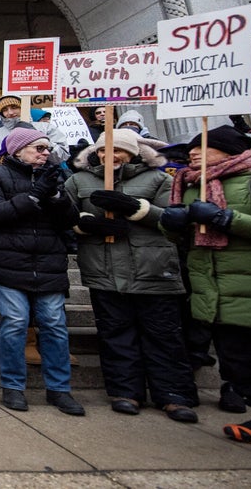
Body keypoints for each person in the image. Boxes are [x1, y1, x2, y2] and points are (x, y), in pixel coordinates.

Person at [159, 126, 251, 462]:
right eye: (193, 148)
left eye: (204, 147)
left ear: (229, 151)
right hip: (220, 292)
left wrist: (228, 218)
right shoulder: (193, 186)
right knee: (243, 366)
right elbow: (184, 238)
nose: (193, 153)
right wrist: (172, 224)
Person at [65, 128, 199, 422]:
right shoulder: (79, 180)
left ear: (133, 152)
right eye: (102, 151)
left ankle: (174, 394)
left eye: (117, 151)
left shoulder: (159, 178)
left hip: (152, 268)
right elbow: (66, 214)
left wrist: (139, 209)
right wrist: (89, 224)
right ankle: (125, 390)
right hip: (105, 269)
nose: (108, 156)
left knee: (163, 335)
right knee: (115, 333)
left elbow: (176, 219)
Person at [0, 127, 84, 415]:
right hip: (8, 263)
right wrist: (34, 196)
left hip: (47, 262)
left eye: (47, 148)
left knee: (54, 325)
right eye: (38, 148)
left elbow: (70, 220)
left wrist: (57, 195)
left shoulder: (54, 177)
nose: (45, 153)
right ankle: (12, 387)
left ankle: (59, 389)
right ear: (18, 150)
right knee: (15, 322)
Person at [0, 96, 68, 167]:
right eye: (4, 110)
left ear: (23, 107)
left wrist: (41, 142)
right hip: (9, 182)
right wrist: (6, 150)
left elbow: (63, 155)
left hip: (43, 178)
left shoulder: (46, 128)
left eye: (14, 107)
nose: (10, 112)